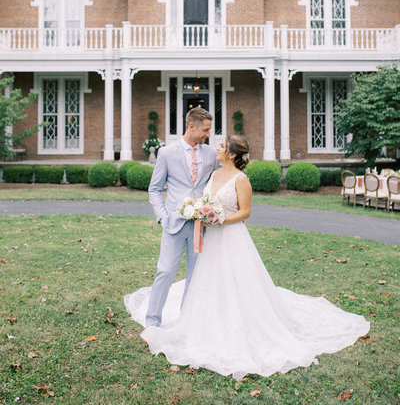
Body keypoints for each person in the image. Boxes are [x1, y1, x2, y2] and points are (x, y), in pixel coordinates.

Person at [125, 136, 370, 379]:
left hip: (231, 237)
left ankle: (240, 325)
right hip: (212, 241)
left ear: (232, 154)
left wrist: (218, 218)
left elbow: (245, 212)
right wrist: (201, 211)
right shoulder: (213, 175)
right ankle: (207, 324)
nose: (216, 148)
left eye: (221, 146)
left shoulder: (241, 179)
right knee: (209, 280)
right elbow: (205, 200)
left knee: (237, 281)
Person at [138, 107, 218, 328]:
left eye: (209, 130)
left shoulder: (211, 154)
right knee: (165, 271)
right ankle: (152, 322)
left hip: (201, 226)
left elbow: (224, 178)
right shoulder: (166, 153)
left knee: (195, 276)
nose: (208, 135)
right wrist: (162, 217)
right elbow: (154, 189)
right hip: (173, 224)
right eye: (205, 129)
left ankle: (187, 322)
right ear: (191, 126)